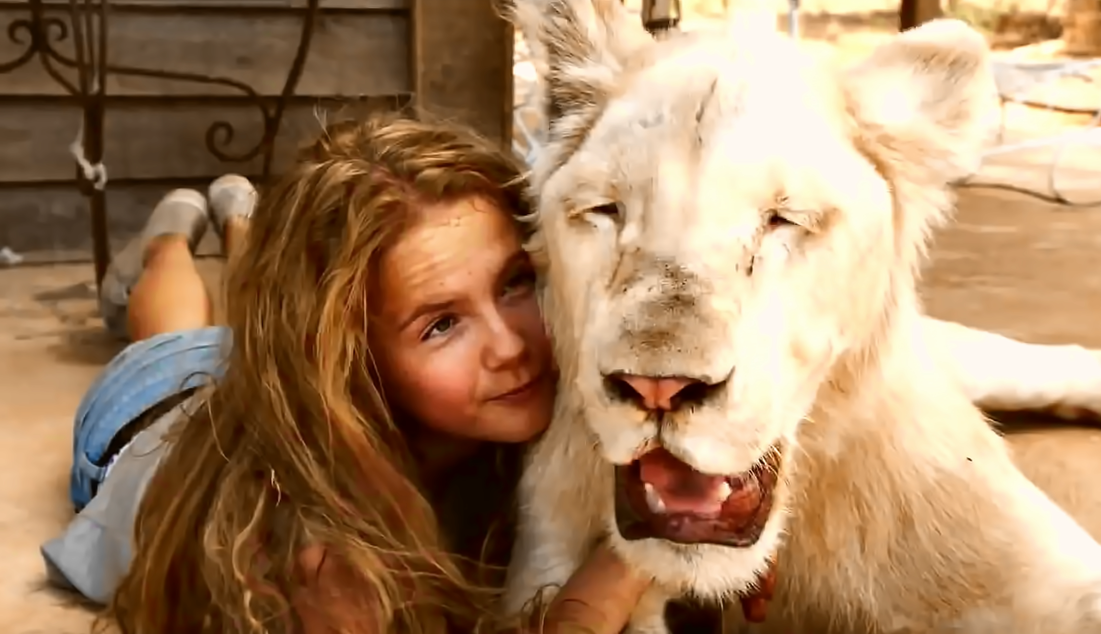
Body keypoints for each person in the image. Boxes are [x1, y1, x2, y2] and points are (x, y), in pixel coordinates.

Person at [43, 114, 650, 634]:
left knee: (262, 309)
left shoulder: (509, 384)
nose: (511, 346)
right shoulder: (308, 552)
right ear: (350, 359)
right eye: (441, 325)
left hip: (267, 359)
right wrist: (631, 560)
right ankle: (170, 238)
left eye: (514, 282)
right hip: (149, 409)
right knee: (170, 337)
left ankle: (241, 222)